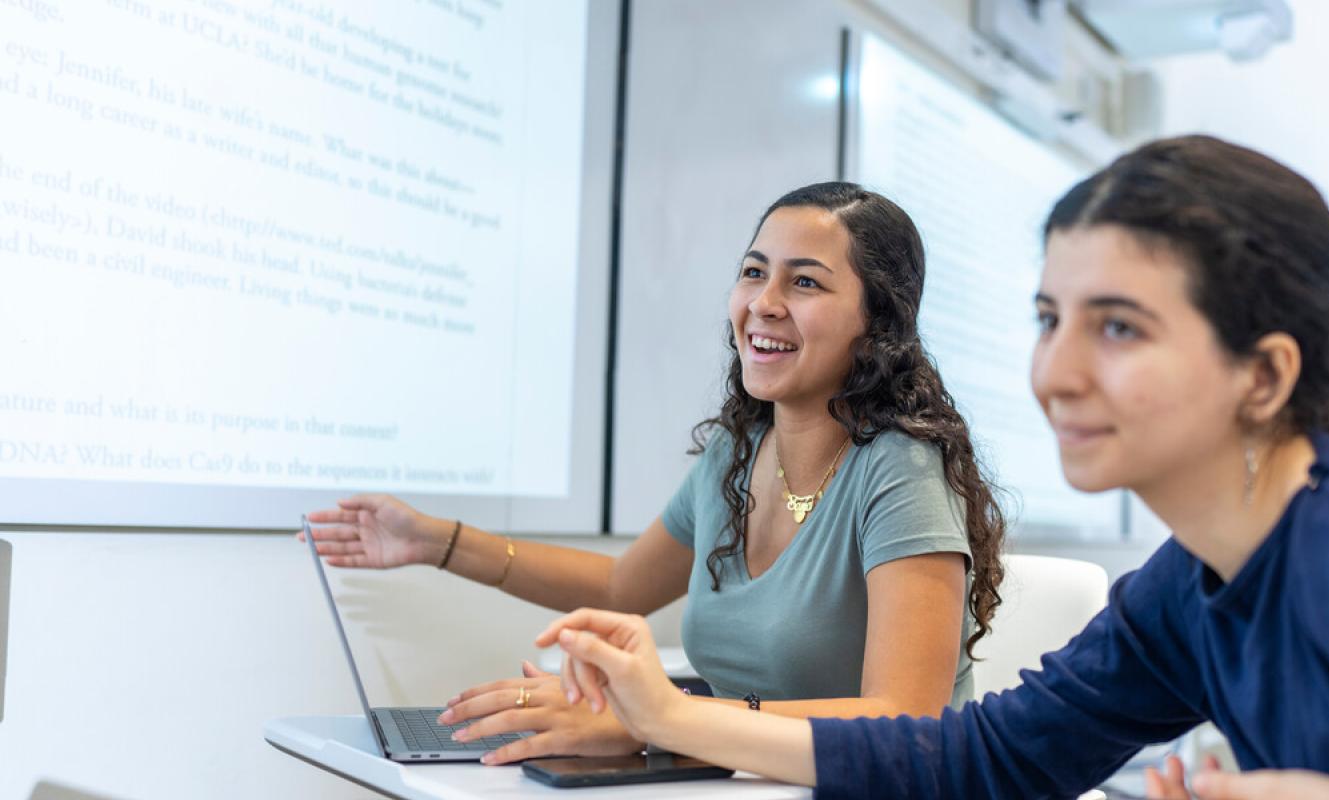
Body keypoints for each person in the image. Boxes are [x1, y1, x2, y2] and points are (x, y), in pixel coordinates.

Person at [533, 136, 1329, 799]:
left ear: (1264, 373)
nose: (1056, 369)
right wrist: (667, 717)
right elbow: (984, 758)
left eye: (1120, 327)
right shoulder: (1188, 589)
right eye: (1050, 318)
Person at [303, 182, 1008, 764]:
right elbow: (621, 588)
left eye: (805, 282)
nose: (763, 302)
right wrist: (438, 543)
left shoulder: (901, 471)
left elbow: (906, 722)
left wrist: (664, 720)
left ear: (878, 322)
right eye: (754, 271)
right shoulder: (739, 452)